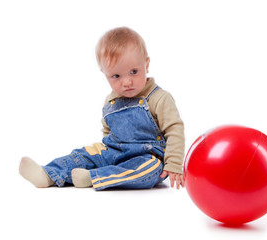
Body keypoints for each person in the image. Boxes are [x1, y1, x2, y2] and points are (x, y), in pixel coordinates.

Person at [19, 27, 185, 190]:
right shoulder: (111, 101)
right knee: (85, 154)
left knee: (150, 168)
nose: (126, 82)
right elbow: (108, 131)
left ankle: (93, 177)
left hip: (147, 156)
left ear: (146, 64)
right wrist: (103, 154)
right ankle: (48, 174)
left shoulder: (159, 98)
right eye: (116, 76)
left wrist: (174, 163)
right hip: (114, 152)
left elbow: (174, 129)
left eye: (134, 71)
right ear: (105, 74)